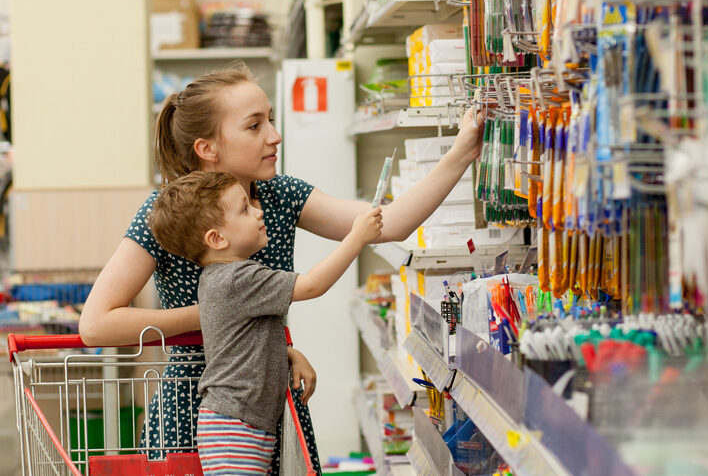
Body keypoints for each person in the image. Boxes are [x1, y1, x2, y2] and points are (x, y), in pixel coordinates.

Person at [78, 61, 484, 471]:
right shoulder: (167, 212)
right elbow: (96, 323)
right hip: (195, 411)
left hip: (270, 403)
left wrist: (462, 150)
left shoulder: (279, 194)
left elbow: (389, 223)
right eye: (254, 126)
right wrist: (216, 316)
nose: (275, 135)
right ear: (208, 148)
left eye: (270, 119)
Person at [147, 171, 382, 473]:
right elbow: (312, 286)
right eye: (245, 208)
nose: (258, 211)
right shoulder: (238, 278)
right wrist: (356, 237)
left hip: (235, 420)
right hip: (236, 425)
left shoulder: (219, 278)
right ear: (217, 238)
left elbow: (239, 343)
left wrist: (288, 353)